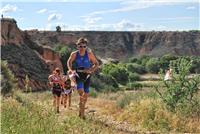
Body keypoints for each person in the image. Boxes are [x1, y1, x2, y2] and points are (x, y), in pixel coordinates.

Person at [67, 37, 99, 119]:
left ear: (86, 47)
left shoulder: (89, 54)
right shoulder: (74, 54)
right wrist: (70, 70)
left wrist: (91, 70)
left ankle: (81, 111)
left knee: (85, 96)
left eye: (84, 46)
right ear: (77, 46)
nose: (82, 48)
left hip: (87, 76)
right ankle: (82, 115)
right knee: (82, 94)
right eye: (80, 46)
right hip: (78, 75)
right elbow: (69, 62)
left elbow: (96, 63)